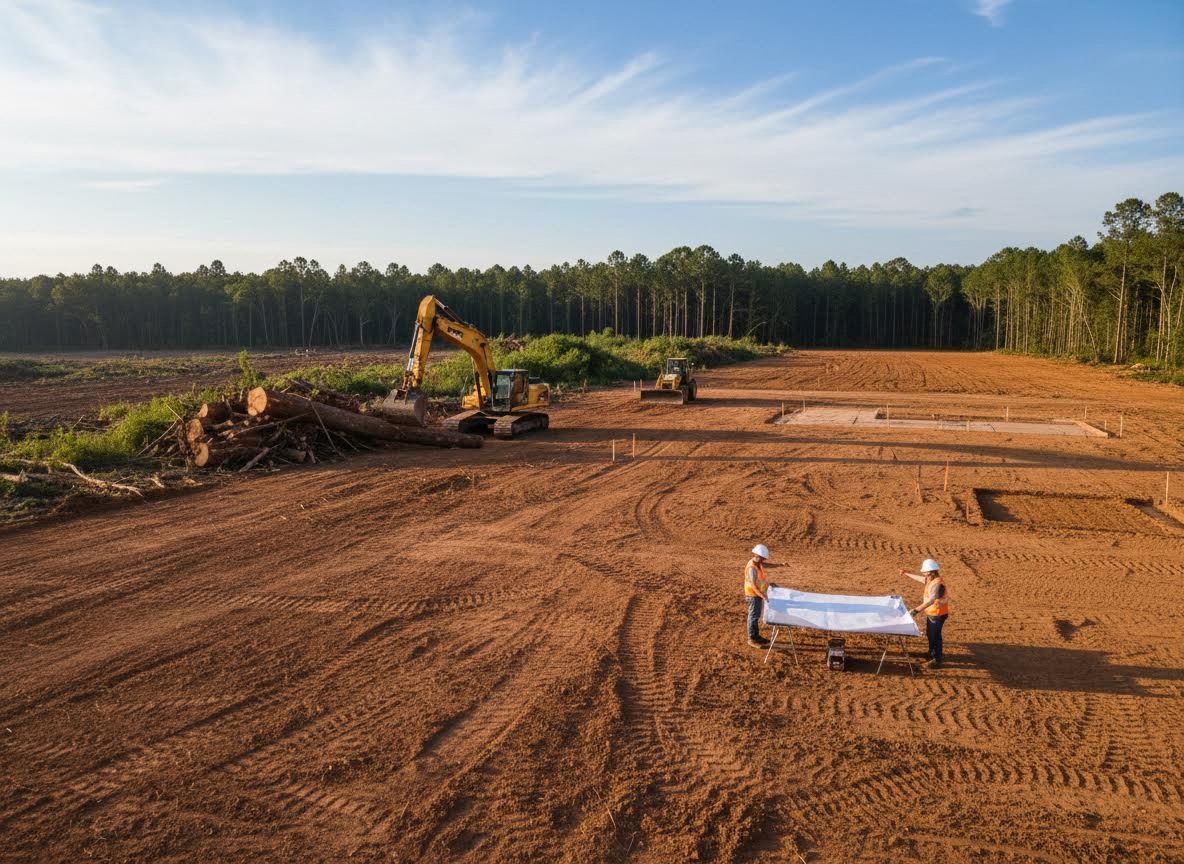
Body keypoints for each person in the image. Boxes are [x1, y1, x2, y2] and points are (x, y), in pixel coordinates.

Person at [899, 558, 949, 667]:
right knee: (930, 634)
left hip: (938, 614)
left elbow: (931, 600)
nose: (924, 574)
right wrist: (906, 574)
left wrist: (916, 610)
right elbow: (921, 579)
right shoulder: (931, 580)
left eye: (925, 572)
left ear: (930, 572)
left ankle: (937, 659)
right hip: (933, 613)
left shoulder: (938, 585)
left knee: (935, 636)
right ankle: (931, 653)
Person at [744, 544, 778, 648]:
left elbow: (767, 567)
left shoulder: (757, 563)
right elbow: (754, 585)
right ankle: (752, 639)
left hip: (757, 594)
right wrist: (762, 595)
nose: (763, 560)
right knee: (753, 617)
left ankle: (756, 636)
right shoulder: (752, 568)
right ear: (757, 556)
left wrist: (769, 584)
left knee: (756, 616)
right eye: (762, 558)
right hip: (753, 595)